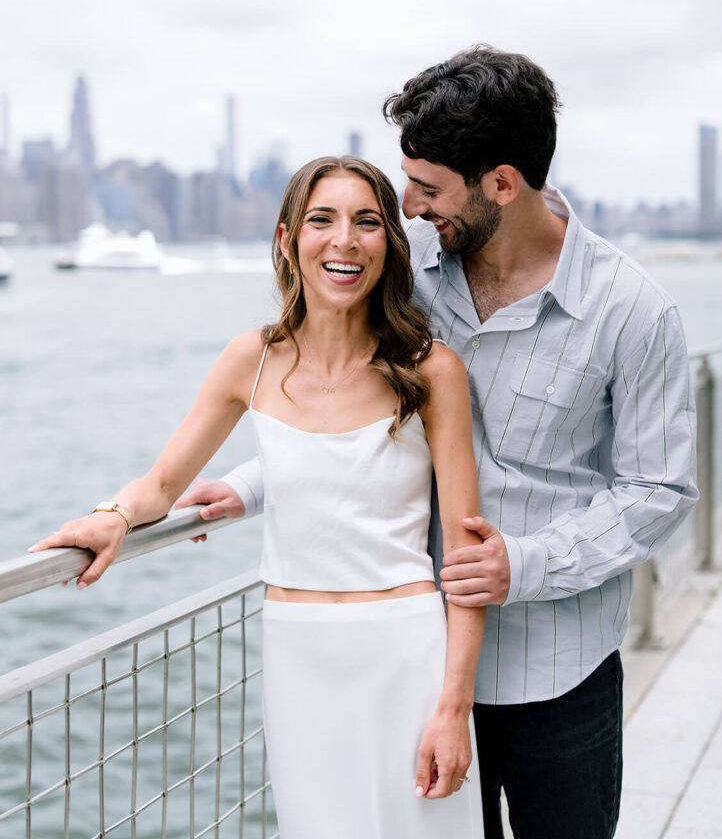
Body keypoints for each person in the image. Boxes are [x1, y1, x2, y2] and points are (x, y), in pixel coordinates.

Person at [190, 47, 699, 839]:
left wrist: (522, 565)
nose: (409, 205)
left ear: (502, 183)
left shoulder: (632, 310)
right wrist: (252, 485)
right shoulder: (408, 272)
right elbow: (350, 410)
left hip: (557, 671)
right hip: (418, 665)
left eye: (428, 188)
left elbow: (659, 492)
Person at [30, 157, 486, 838]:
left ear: (389, 244)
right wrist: (113, 517)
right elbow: (162, 485)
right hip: (297, 658)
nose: (344, 240)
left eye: (366, 221)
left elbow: (467, 560)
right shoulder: (254, 359)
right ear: (286, 240)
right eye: (322, 219)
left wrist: (452, 709)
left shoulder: (431, 369)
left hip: (405, 653)